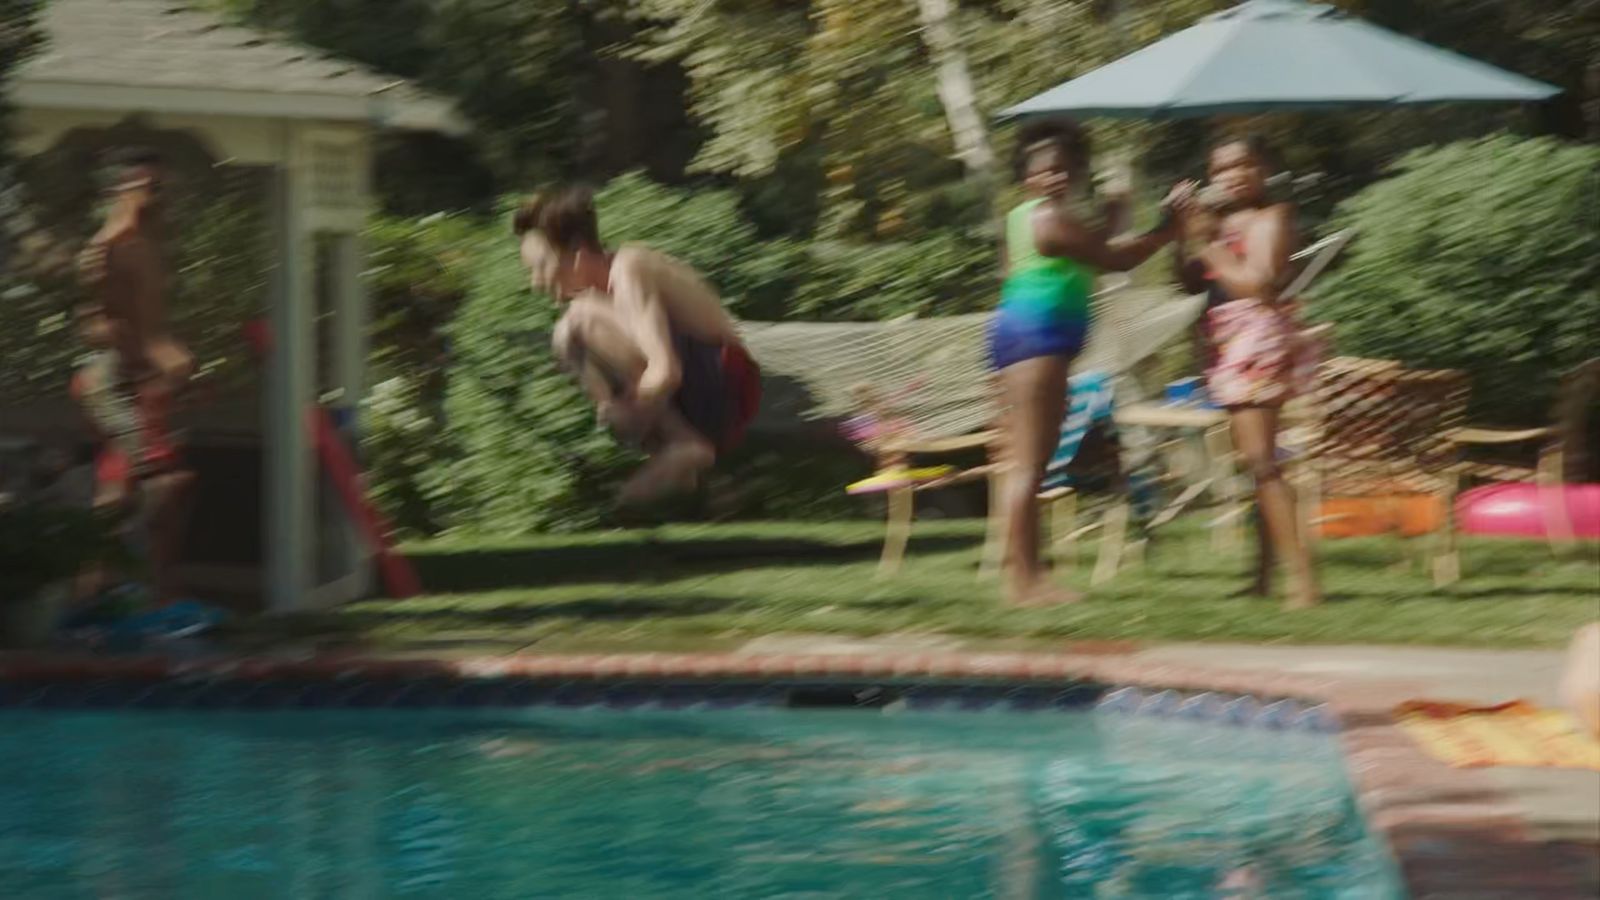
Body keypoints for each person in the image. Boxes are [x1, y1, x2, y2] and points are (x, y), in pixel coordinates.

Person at [993, 120, 1191, 607]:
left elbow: (1088, 251)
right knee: (1030, 467)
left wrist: (1114, 217)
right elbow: (1114, 260)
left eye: (1065, 169)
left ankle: (1023, 577)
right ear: (1027, 179)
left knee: (1028, 465)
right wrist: (1168, 228)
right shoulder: (1049, 218)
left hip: (1030, 340)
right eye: (1044, 172)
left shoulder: (1033, 218)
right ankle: (1026, 583)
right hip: (1035, 341)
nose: (1056, 178)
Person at [512, 187, 760, 504]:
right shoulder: (606, 292)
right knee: (566, 334)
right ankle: (685, 470)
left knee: (580, 319)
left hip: (725, 386)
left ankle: (682, 445)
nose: (537, 281)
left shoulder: (629, 270)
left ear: (576, 252)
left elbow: (666, 370)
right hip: (704, 391)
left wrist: (632, 413)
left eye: (541, 266)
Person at [1174, 136, 1321, 610]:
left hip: (1256, 339)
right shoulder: (1219, 222)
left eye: (1244, 165)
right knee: (1258, 465)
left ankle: (1302, 583)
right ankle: (1264, 578)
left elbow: (1257, 285)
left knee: (1262, 463)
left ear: (1264, 168)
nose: (1233, 176)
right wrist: (1185, 232)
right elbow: (1192, 280)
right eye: (1221, 169)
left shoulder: (1272, 216)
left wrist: (1204, 242)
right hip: (1226, 342)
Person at [71, 146, 197, 609]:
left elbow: (151, 326)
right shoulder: (104, 249)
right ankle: (105, 593)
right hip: (113, 381)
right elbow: (92, 327)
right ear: (119, 190)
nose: (158, 197)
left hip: (147, 383)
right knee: (162, 486)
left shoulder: (147, 245)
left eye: (161, 187)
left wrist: (167, 356)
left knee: (131, 490)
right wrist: (144, 355)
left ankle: (134, 595)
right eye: (149, 187)